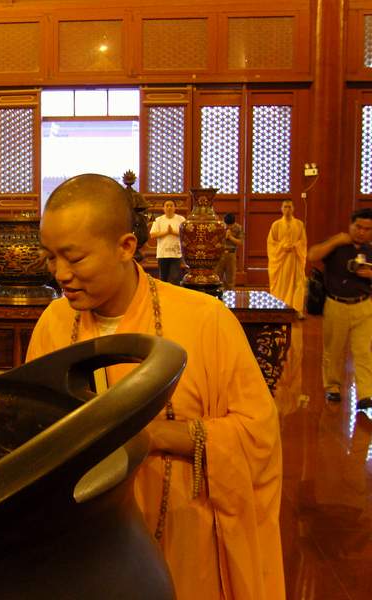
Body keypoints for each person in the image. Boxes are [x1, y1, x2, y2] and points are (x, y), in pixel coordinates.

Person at [26, 174, 284, 599]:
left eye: (74, 258)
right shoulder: (53, 323)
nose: (61, 274)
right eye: (50, 258)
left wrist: (153, 435)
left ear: (126, 246)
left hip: (185, 540)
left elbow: (258, 437)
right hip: (84, 547)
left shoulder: (206, 320)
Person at [306, 208, 372, 409]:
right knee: (334, 350)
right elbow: (312, 255)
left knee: (363, 351)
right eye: (358, 227)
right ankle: (332, 386)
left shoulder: (370, 249)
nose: (362, 232)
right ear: (351, 225)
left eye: (367, 229)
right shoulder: (337, 245)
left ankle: (366, 394)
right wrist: (336, 241)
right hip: (336, 304)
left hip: (363, 305)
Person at [267, 200, 307, 318]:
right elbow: (271, 243)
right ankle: (279, 308)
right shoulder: (276, 225)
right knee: (282, 285)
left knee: (297, 284)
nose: (287, 209)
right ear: (281, 209)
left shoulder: (299, 224)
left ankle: (297, 309)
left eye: (289, 207)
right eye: (285, 207)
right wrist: (282, 246)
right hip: (281, 260)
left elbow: (303, 242)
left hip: (295, 259)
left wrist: (295, 246)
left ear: (293, 208)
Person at [149, 199, 186, 284]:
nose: (169, 207)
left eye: (171, 205)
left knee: (175, 278)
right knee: (163, 278)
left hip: (176, 253)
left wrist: (173, 232)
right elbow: (152, 234)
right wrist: (166, 232)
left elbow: (186, 234)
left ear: (175, 208)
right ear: (163, 208)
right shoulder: (158, 220)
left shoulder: (181, 219)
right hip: (162, 253)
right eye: (167, 206)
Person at [214, 212, 243, 290]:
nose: (228, 226)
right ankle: (217, 294)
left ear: (234, 222)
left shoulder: (238, 228)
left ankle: (230, 294)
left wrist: (230, 237)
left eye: (231, 225)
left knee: (230, 279)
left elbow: (240, 242)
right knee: (217, 277)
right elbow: (214, 240)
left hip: (231, 254)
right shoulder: (219, 227)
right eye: (227, 225)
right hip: (220, 254)